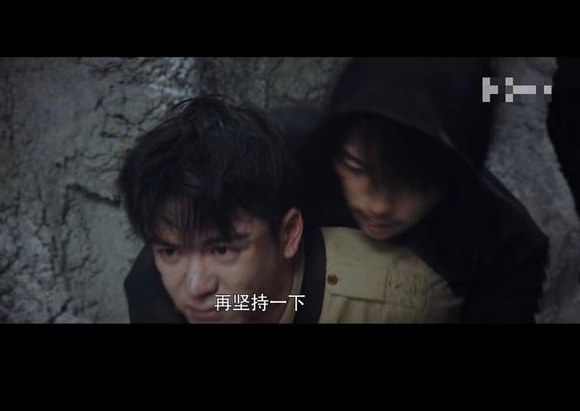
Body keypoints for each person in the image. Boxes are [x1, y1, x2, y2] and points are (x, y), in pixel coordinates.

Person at [117, 95, 463, 323]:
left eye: (221, 249)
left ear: (288, 234)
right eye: (170, 251)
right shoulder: (154, 297)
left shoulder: (401, 304)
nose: (195, 288)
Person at [299, 58, 549, 322]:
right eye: (357, 167)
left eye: (413, 184)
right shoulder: (290, 161)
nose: (379, 205)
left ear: (451, 175)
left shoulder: (506, 248)